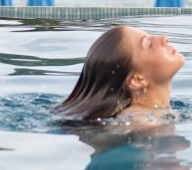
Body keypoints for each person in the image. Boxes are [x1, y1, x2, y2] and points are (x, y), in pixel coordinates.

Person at [55, 25, 185, 122]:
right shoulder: (143, 122)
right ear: (137, 80)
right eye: (149, 44)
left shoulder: (146, 117)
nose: (164, 38)